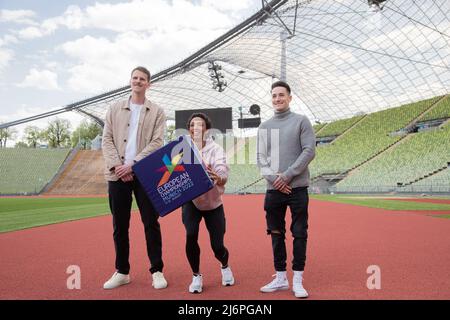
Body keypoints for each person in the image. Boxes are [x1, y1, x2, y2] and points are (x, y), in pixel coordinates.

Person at [102, 66, 168, 290]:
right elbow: (107, 139)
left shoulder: (157, 111)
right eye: (135, 78)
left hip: (145, 174)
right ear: (130, 81)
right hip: (116, 174)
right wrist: (118, 166)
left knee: (151, 222)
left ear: (148, 84)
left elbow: (157, 142)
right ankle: (122, 271)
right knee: (119, 225)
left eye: (142, 79)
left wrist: (133, 164)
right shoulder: (114, 108)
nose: (138, 81)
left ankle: (157, 270)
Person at [257, 81, 316, 298]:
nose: (277, 99)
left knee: (299, 233)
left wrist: (288, 175)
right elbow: (260, 158)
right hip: (273, 190)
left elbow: (309, 150)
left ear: (289, 97)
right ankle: (280, 277)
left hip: (297, 188)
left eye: (281, 95)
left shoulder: (301, 121)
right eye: (274, 95)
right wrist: (275, 179)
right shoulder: (264, 127)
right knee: (275, 233)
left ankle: (297, 279)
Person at [181, 112, 235, 293]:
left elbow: (222, 174)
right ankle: (196, 275)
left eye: (200, 125)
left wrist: (219, 177)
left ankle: (225, 266)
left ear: (207, 129)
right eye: (192, 125)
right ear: (188, 130)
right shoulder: (181, 150)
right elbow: (170, 171)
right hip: (191, 202)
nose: (196, 128)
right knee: (190, 234)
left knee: (217, 246)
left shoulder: (216, 150)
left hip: (213, 203)